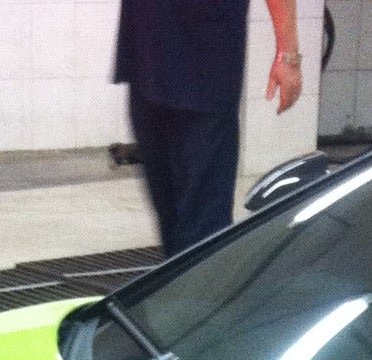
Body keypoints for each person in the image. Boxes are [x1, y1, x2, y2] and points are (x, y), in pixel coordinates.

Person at [115, 0, 303, 256]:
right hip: (145, 62)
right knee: (169, 220)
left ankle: (203, 278)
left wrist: (288, 56)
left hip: (205, 68)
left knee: (204, 226)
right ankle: (179, 276)